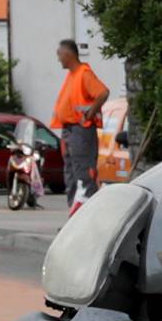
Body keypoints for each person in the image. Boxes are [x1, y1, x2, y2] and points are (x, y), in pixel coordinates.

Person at [50, 40, 109, 212]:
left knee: (84, 174)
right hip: (70, 131)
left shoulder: (84, 74)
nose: (59, 59)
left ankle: (86, 215)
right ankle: (74, 216)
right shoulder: (72, 75)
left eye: (59, 55)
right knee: (71, 176)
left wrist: (91, 113)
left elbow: (103, 93)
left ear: (68, 55)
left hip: (81, 132)